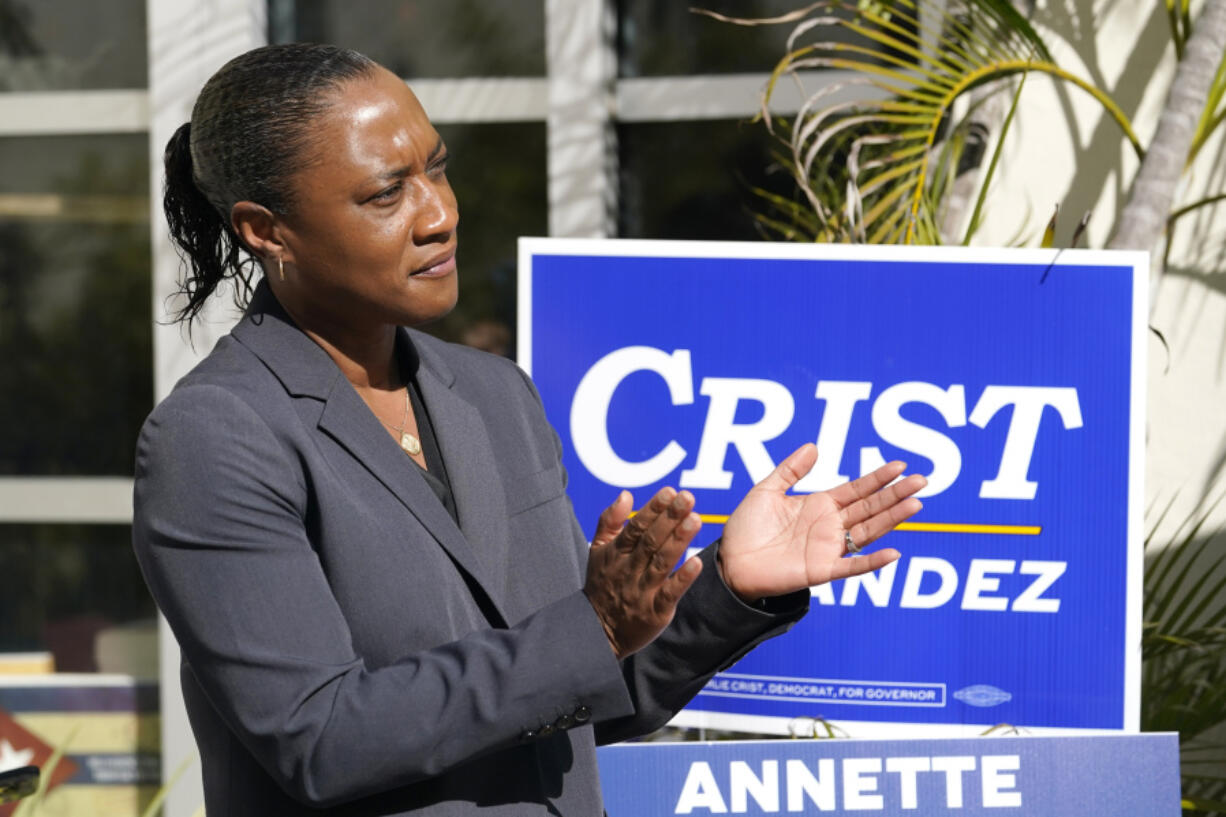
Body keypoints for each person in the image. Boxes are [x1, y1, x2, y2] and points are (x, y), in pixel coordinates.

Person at [132, 43, 926, 817]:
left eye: (437, 168)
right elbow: (321, 737)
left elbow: (580, 700)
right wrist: (593, 626)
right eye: (385, 195)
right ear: (266, 230)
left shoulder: (494, 393)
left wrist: (729, 585)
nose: (439, 214)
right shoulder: (218, 436)